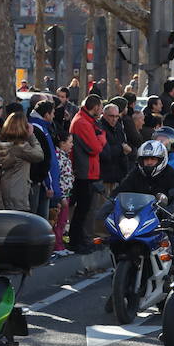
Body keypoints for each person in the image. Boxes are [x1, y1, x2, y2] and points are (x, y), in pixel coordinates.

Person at [68, 95, 107, 253]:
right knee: (82, 210)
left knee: (84, 210)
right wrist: (102, 138)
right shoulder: (82, 122)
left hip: (88, 170)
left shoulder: (86, 121)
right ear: (96, 107)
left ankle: (81, 240)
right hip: (84, 172)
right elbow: (96, 148)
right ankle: (77, 242)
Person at [0, 112, 44, 212]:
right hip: (18, 193)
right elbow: (39, 155)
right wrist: (31, 136)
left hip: (2, 190)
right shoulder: (21, 148)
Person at [28, 99, 58, 218]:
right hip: (41, 183)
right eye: (53, 113)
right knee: (40, 218)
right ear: (46, 115)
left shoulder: (42, 127)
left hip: (42, 182)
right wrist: (49, 185)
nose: (54, 116)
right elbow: (45, 159)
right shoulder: (38, 129)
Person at [52, 131, 74, 253]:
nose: (72, 145)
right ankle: (57, 246)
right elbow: (58, 178)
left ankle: (60, 244)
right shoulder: (58, 157)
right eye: (70, 142)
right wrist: (62, 196)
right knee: (58, 221)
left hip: (66, 193)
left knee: (63, 221)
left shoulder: (64, 156)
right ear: (62, 143)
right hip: (61, 196)